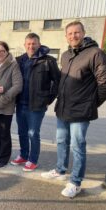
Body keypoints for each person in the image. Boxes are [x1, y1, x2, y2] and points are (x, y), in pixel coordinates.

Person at [41, 21, 106, 198]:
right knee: (61, 141)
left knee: (78, 146)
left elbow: (104, 83)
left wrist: (92, 104)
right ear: (66, 36)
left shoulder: (95, 53)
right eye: (69, 33)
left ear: (83, 33)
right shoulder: (65, 55)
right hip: (63, 108)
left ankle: (76, 182)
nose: (73, 36)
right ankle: (60, 171)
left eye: (77, 32)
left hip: (81, 110)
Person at [10, 33, 60, 172]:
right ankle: (24, 155)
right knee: (22, 132)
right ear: (24, 45)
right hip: (20, 103)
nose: (31, 46)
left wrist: (48, 100)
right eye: (29, 44)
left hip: (37, 105)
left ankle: (33, 160)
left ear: (39, 44)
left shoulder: (48, 61)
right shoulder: (19, 60)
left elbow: (57, 82)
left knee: (33, 133)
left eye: (34, 43)